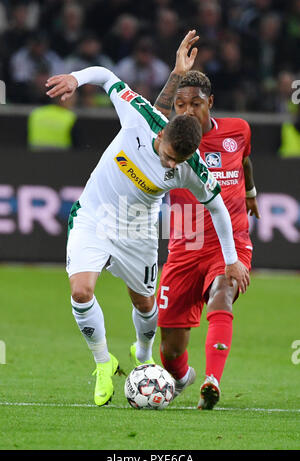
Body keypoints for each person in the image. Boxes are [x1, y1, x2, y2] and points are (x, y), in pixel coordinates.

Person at [45, 31, 249, 407]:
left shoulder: (193, 168)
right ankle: (104, 363)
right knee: (81, 290)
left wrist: (232, 259)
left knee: (144, 304)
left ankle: (142, 355)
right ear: (164, 132)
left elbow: (218, 208)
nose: (170, 167)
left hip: (138, 229)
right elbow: (107, 76)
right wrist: (76, 77)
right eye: (169, 157)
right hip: (96, 214)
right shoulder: (141, 116)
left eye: (177, 163)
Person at [154, 30, 260, 409]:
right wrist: (174, 74)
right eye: (179, 105)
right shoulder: (172, 138)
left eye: (194, 104)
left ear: (210, 103)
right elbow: (151, 113)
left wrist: (250, 192)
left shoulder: (238, 130)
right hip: (185, 246)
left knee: (223, 291)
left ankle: (212, 380)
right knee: (170, 346)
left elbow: (245, 159)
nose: (186, 111)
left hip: (228, 241)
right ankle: (183, 377)